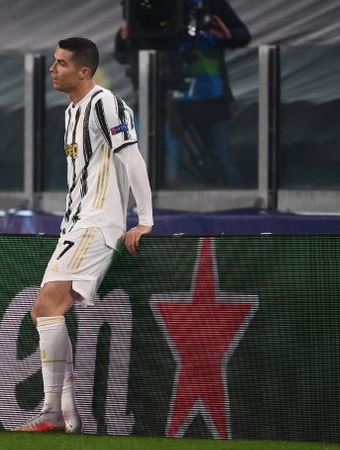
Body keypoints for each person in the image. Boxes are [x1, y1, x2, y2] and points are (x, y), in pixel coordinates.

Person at [15, 37, 153, 433]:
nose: (52, 69)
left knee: (48, 306)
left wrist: (144, 219)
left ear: (84, 71)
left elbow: (132, 158)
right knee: (42, 312)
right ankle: (65, 412)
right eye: (54, 61)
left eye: (61, 63)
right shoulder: (71, 111)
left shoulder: (105, 103)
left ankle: (53, 412)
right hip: (75, 225)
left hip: (98, 224)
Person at [116, 0, 250, 187]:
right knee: (158, 160)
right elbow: (122, 53)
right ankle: (158, 202)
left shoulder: (209, 3)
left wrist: (225, 35)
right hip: (162, 97)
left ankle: (240, 201)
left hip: (208, 96)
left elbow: (242, 36)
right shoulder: (146, 4)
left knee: (220, 156)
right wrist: (124, 38)